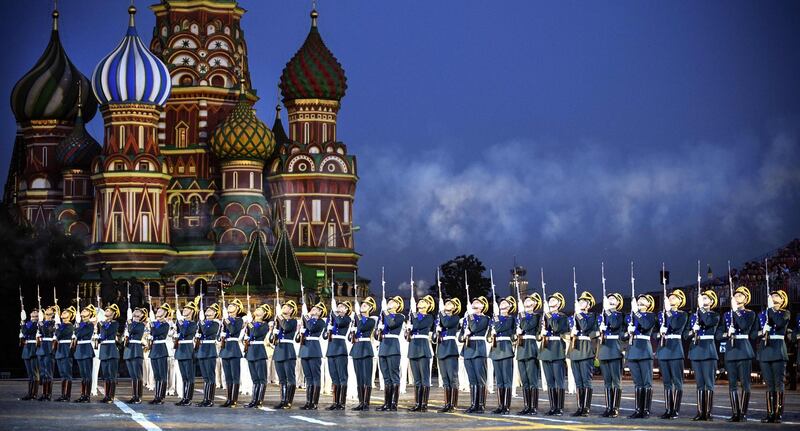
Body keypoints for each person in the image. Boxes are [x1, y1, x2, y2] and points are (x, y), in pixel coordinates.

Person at [722, 286, 757, 422]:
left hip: (743, 351)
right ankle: (735, 413)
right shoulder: (727, 315)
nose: (736, 297)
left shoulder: (750, 313)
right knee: (732, 384)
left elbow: (743, 326)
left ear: (746, 299)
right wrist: (727, 333)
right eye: (735, 296)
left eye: (740, 296)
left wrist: (735, 311)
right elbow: (720, 334)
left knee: (745, 383)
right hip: (731, 351)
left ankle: (743, 413)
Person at [757, 289, 790, 423]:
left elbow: (780, 322)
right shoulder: (763, 314)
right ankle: (770, 413)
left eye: (777, 296)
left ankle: (778, 413)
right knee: (769, 384)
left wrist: (771, 309)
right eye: (772, 295)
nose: (773, 297)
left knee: (778, 383)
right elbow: (756, 333)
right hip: (765, 351)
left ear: (783, 300)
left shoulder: (785, 313)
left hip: (777, 350)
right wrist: (762, 331)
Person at [656, 289, 689, 419]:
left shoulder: (682, 315)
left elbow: (675, 325)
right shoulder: (662, 315)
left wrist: (669, 312)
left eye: (674, 298)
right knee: (667, 382)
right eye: (669, 298)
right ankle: (668, 409)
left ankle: (675, 410)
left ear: (680, 301)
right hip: (664, 350)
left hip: (675, 350)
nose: (670, 300)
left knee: (677, 381)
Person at [688, 289, 720, 421]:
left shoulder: (714, 315)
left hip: (708, 351)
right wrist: (692, 332)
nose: (703, 301)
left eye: (706, 299)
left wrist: (701, 309)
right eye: (702, 299)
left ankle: (708, 412)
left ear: (712, 302)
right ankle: (700, 411)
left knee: (709, 383)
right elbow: (686, 335)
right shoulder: (694, 316)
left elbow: (707, 322)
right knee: (699, 384)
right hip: (696, 351)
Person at [626, 294, 656, 419]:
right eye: (639, 300)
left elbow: (645, 325)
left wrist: (636, 312)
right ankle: (638, 410)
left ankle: (646, 410)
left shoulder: (650, 315)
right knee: (638, 383)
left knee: (646, 382)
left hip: (644, 350)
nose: (640, 301)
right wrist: (628, 331)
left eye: (644, 300)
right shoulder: (632, 317)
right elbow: (624, 335)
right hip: (633, 350)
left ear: (649, 304)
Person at [568, 291, 598, 416]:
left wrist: (579, 315)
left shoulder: (591, 316)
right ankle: (580, 407)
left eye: (583, 301)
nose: (580, 303)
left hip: (585, 349)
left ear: (588, 305)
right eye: (579, 301)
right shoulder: (573, 318)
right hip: (575, 350)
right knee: (578, 381)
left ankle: (586, 408)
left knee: (586, 381)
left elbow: (585, 327)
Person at [540, 292, 569, 416]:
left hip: (557, 349)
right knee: (550, 381)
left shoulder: (562, 317)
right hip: (546, 350)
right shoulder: (545, 316)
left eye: (554, 300)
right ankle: (552, 407)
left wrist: (550, 316)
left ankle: (559, 408)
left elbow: (557, 329)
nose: (551, 302)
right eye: (550, 300)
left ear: (559, 304)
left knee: (559, 380)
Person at [597, 292, 625, 418]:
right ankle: (608, 407)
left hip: (614, 348)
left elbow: (614, 324)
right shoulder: (602, 315)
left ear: (618, 302)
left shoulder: (620, 315)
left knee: (616, 381)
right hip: (604, 349)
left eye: (613, 298)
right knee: (607, 381)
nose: (610, 300)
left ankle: (615, 408)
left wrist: (607, 311)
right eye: (609, 298)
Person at [462, 296, 490, 414]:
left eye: (477, 302)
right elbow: (461, 337)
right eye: (473, 302)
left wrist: (470, 317)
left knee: (480, 378)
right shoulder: (467, 318)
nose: (474, 304)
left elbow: (474, 327)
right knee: (472, 379)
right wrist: (464, 334)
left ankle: (481, 405)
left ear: (483, 306)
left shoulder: (485, 318)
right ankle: (473, 404)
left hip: (479, 348)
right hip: (468, 349)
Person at [408, 295, 436, 412]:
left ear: (428, 305)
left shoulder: (429, 317)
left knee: (425, 378)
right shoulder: (412, 316)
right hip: (414, 347)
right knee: (417, 379)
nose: (420, 302)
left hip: (423, 348)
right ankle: (417, 403)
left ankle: (424, 404)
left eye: (424, 301)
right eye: (420, 301)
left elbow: (419, 325)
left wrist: (413, 317)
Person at [377, 295, 405, 411]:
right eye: (389, 301)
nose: (390, 303)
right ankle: (386, 403)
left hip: (393, 347)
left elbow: (392, 324)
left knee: (394, 376)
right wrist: (379, 326)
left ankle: (394, 403)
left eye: (393, 302)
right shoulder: (383, 316)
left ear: (398, 305)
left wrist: (385, 313)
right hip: (383, 347)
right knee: (386, 377)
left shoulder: (400, 316)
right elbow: (376, 335)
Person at [490, 296, 517, 415]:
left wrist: (496, 320)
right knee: (499, 380)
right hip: (496, 348)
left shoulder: (510, 318)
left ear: (510, 306)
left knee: (507, 379)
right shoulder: (495, 318)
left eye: (506, 303)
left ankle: (506, 406)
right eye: (501, 303)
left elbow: (502, 327)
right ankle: (500, 405)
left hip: (506, 348)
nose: (503, 304)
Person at [299, 301, 327, 410]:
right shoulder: (308, 320)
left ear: (320, 312)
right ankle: (308, 402)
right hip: (305, 349)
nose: (313, 310)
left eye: (316, 309)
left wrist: (306, 316)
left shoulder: (320, 322)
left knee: (315, 377)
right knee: (308, 377)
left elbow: (311, 327)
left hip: (314, 350)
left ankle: (314, 403)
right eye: (313, 308)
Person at [351, 297, 378, 411]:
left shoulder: (371, 320)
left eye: (366, 305)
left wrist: (357, 315)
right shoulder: (356, 319)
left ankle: (366, 403)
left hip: (366, 349)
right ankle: (361, 402)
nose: (363, 306)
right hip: (357, 349)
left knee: (367, 378)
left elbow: (362, 327)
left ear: (371, 308)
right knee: (359, 378)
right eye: (362, 305)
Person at [325, 300, 352, 410]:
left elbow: (340, 323)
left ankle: (342, 403)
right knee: (334, 377)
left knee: (342, 377)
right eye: (339, 305)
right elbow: (324, 335)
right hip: (331, 349)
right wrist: (328, 327)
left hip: (340, 349)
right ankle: (335, 402)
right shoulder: (332, 318)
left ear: (346, 310)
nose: (339, 307)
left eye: (342, 306)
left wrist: (334, 314)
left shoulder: (346, 318)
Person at [437, 297, 462, 413]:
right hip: (442, 348)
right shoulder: (440, 318)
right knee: (445, 378)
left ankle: (453, 404)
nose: (447, 304)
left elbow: (446, 322)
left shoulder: (455, 318)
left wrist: (441, 312)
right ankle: (447, 403)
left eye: (450, 304)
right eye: (446, 303)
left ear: (454, 308)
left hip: (450, 349)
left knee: (452, 377)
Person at [245, 303, 272, 408]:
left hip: (259, 351)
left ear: (264, 313)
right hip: (251, 351)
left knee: (261, 378)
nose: (257, 310)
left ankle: (259, 400)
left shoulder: (264, 325)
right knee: (255, 378)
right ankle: (254, 400)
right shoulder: (251, 324)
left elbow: (255, 333)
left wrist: (250, 323)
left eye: (260, 309)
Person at [273, 299, 299, 409]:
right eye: (283, 307)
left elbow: (286, 327)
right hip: (279, 350)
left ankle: (289, 401)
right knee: (282, 378)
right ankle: (283, 400)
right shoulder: (279, 321)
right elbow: (272, 339)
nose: (284, 308)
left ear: (291, 310)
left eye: (286, 307)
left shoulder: (293, 321)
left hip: (288, 350)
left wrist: (279, 318)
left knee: (290, 377)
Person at [175, 297, 200, 406]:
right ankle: (184, 397)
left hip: (189, 350)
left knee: (189, 376)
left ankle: (188, 398)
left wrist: (180, 322)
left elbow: (184, 332)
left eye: (187, 308)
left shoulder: (194, 323)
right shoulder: (181, 322)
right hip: (181, 350)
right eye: (184, 308)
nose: (184, 309)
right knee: (184, 376)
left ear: (192, 311)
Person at [220, 298, 245, 408]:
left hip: (234, 348)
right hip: (225, 349)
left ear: (238, 309)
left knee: (235, 376)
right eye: (229, 305)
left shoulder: (239, 320)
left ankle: (234, 399)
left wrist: (227, 320)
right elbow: (222, 333)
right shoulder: (226, 320)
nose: (230, 306)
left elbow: (233, 330)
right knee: (228, 376)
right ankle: (228, 398)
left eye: (233, 305)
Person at [196, 303, 221, 407]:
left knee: (210, 376)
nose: (208, 311)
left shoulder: (216, 323)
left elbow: (206, 331)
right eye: (208, 309)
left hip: (210, 350)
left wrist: (201, 322)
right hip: (202, 350)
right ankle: (205, 399)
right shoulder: (203, 322)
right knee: (205, 377)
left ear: (215, 313)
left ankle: (210, 399)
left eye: (211, 310)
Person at [148, 303, 172, 405]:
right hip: (154, 350)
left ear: (165, 313)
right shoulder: (154, 323)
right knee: (156, 375)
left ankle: (160, 397)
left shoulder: (165, 324)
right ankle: (156, 395)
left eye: (161, 310)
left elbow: (155, 333)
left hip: (161, 350)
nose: (158, 311)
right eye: (158, 310)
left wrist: (152, 324)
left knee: (162, 375)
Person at [123, 308, 147, 404]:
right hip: (129, 349)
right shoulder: (129, 323)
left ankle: (138, 396)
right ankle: (134, 396)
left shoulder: (141, 325)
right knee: (133, 375)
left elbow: (131, 330)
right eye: (135, 310)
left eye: (139, 311)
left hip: (136, 349)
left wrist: (129, 323)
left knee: (138, 375)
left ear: (141, 315)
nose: (136, 311)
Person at [73, 305, 96, 403]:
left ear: (90, 314)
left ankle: (87, 396)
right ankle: (83, 395)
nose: (83, 311)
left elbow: (78, 334)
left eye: (86, 310)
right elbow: (75, 333)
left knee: (87, 374)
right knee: (83, 375)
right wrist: (78, 327)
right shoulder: (80, 324)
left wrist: (77, 328)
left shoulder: (90, 324)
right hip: (80, 350)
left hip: (86, 350)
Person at [98, 304, 120, 403]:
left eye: (109, 310)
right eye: (106, 309)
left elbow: (105, 334)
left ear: (114, 313)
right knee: (106, 374)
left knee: (112, 375)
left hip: (111, 350)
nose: (106, 310)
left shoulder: (114, 324)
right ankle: (106, 396)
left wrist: (101, 324)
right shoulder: (103, 324)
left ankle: (111, 396)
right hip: (104, 350)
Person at [35, 305, 58, 401]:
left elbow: (49, 331)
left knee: (48, 373)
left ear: (53, 314)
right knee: (43, 372)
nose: (47, 311)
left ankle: (48, 394)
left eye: (50, 310)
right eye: (47, 309)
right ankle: (44, 393)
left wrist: (42, 324)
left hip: (49, 348)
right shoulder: (42, 323)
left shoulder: (55, 323)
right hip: (42, 348)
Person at [54, 306, 77, 402]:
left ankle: (67, 395)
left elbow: (58, 335)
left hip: (66, 351)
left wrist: (57, 327)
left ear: (70, 315)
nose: (63, 313)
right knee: (62, 374)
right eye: (63, 312)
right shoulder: (61, 326)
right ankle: (63, 394)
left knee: (67, 374)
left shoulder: (69, 326)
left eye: (66, 312)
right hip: (60, 351)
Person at [19, 307, 40, 400]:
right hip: (27, 349)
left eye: (36, 312)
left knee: (35, 373)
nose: (34, 313)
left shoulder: (38, 324)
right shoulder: (28, 323)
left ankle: (34, 394)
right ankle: (29, 393)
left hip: (34, 349)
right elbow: (23, 335)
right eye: (33, 312)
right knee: (30, 374)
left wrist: (23, 324)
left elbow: (27, 331)